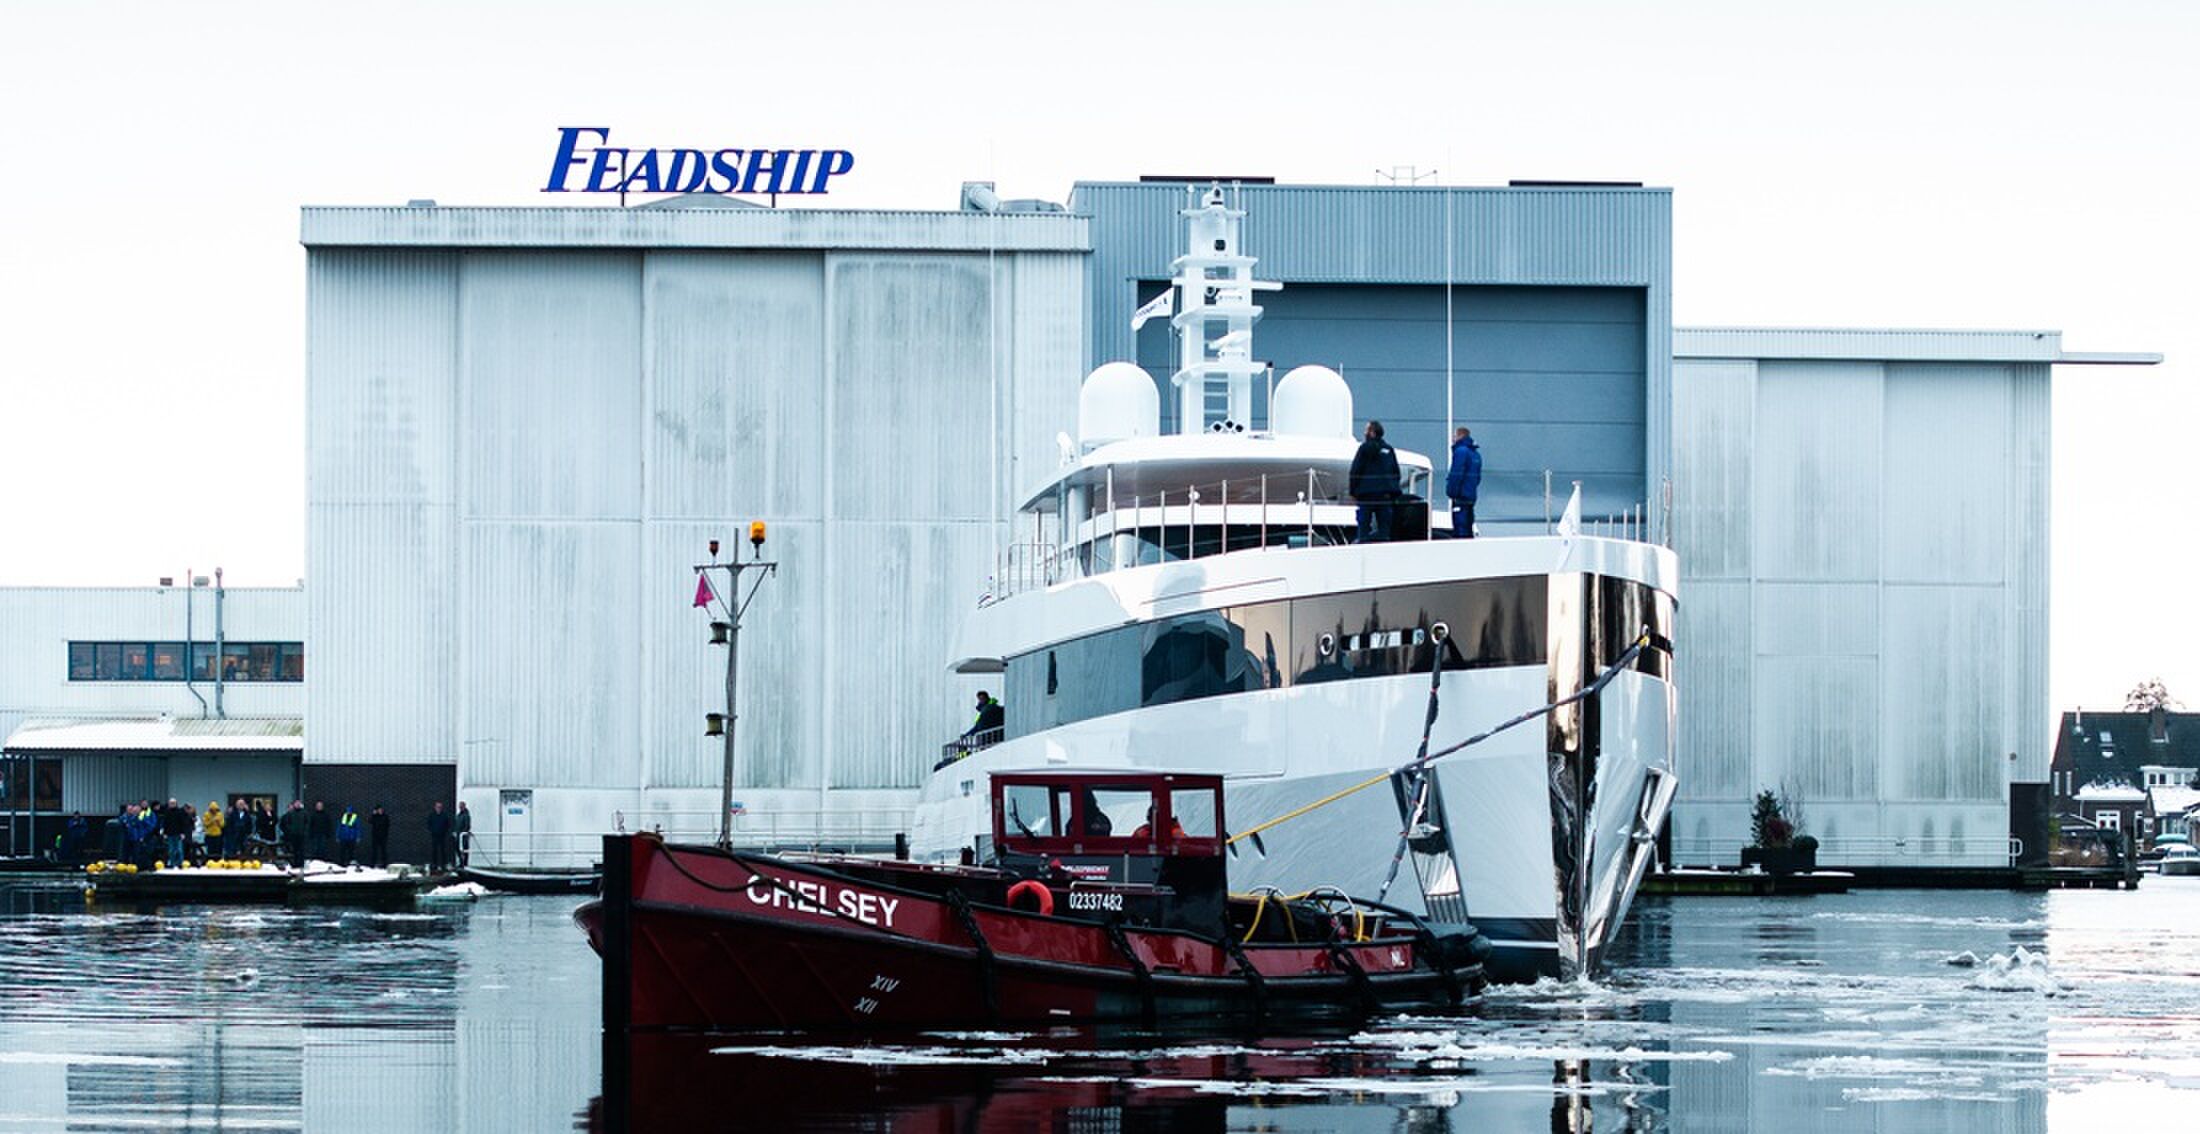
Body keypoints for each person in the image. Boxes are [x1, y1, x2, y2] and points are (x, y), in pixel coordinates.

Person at [1348, 419, 1402, 543]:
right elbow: (1395, 472)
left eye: (1366, 430)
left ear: (1372, 432)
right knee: (1384, 529)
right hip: (1385, 495)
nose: (1364, 433)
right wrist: (1393, 490)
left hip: (1366, 494)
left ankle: (1363, 545)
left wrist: (1353, 491)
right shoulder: (1388, 450)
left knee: (1363, 527)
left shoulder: (1363, 449)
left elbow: (1356, 470)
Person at [1446, 426, 1482, 539]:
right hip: (1470, 496)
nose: (1453, 438)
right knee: (1468, 525)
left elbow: (1456, 474)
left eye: (1454, 435)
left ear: (1460, 436)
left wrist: (1451, 492)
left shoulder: (1461, 452)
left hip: (1460, 498)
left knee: (1460, 528)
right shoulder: (1475, 454)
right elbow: (1477, 478)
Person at [278, 801, 310, 870]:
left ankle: (301, 864)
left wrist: (304, 831)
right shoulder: (290, 814)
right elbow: (286, 824)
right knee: (294, 850)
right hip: (293, 835)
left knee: (301, 850)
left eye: (299, 804)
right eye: (296, 804)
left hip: (301, 835)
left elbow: (307, 823)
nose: (297, 805)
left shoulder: (304, 813)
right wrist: (290, 831)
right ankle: (294, 864)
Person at [426, 802, 453, 873]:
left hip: (442, 836)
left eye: (440, 807)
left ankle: (443, 864)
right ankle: (434, 864)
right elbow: (428, 824)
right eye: (438, 807)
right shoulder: (432, 815)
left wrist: (444, 831)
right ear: (435, 807)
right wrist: (432, 831)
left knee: (442, 850)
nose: (439, 808)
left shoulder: (444, 815)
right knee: (434, 850)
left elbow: (447, 824)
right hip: (434, 835)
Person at [454, 802, 472, 867]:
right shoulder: (459, 815)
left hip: (463, 836)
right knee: (457, 848)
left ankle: (465, 863)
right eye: (460, 806)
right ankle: (461, 862)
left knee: (464, 849)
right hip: (458, 835)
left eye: (461, 806)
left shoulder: (466, 815)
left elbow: (467, 825)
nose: (460, 808)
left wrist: (464, 832)